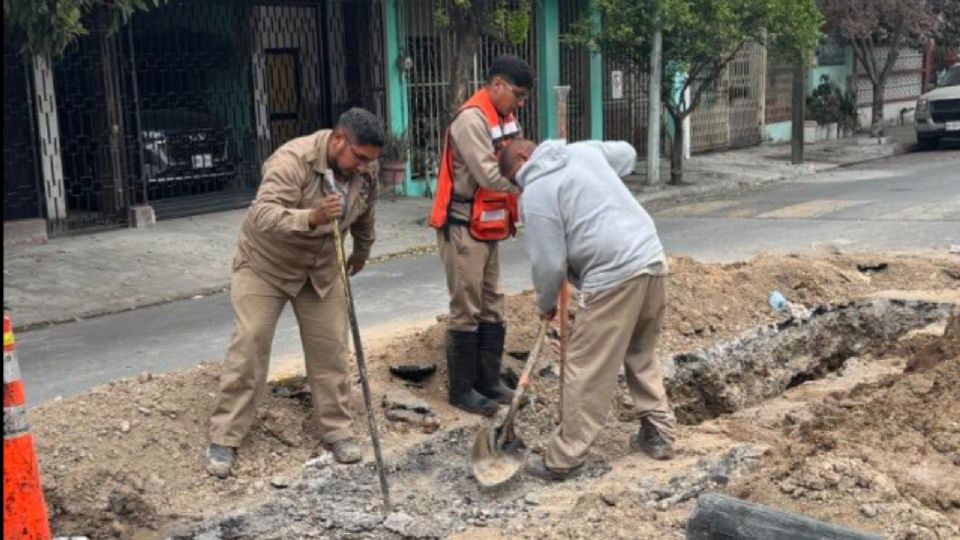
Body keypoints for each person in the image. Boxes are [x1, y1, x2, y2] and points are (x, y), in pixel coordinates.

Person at [205, 108, 385, 478]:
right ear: (338, 140)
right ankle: (225, 436)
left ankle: (337, 430)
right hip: (265, 267)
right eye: (360, 158)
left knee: (331, 347)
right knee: (251, 342)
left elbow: (365, 214)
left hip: (320, 269)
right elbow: (262, 216)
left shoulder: (364, 172)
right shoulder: (292, 160)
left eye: (370, 161)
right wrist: (311, 217)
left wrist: (362, 251)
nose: (364, 167)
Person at [498, 138, 677, 481]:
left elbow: (549, 263)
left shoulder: (536, 191)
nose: (517, 186)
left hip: (613, 274)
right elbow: (628, 152)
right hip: (652, 257)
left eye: (513, 178)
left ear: (523, 158)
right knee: (640, 352)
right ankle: (659, 433)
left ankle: (564, 459)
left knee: (585, 366)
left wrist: (546, 303)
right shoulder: (582, 151)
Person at [428, 55, 535, 416]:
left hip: (488, 227)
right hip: (462, 227)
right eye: (517, 95)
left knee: (492, 304)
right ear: (497, 85)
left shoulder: (505, 117)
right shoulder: (471, 119)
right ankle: (462, 391)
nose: (520, 103)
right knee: (467, 308)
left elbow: (519, 155)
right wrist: (535, 180)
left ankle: (488, 381)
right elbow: (491, 174)